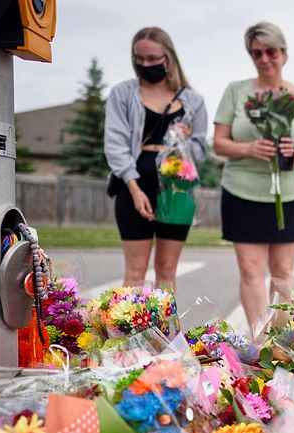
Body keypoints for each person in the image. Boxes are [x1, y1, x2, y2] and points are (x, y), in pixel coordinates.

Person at [213, 22, 294, 333]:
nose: (264, 58)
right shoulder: (237, 92)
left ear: (284, 54)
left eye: (271, 51)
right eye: (256, 53)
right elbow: (219, 143)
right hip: (242, 191)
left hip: (292, 194)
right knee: (250, 270)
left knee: (283, 271)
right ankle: (257, 340)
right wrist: (248, 147)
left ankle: (280, 341)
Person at [104, 27, 208, 292]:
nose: (145, 65)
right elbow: (115, 145)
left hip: (177, 188)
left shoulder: (193, 101)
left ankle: (167, 335)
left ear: (168, 58)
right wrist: (134, 189)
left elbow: (200, 153)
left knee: (166, 271)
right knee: (136, 271)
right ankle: (127, 333)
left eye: (152, 59)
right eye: (139, 59)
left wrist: (186, 140)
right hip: (134, 186)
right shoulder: (122, 94)